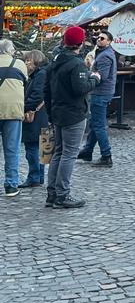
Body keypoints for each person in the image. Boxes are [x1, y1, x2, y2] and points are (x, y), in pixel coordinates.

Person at [44, 26, 94, 210]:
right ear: (80, 43)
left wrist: (50, 113)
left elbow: (46, 90)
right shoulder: (76, 64)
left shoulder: (54, 61)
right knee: (69, 154)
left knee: (58, 152)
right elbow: (80, 89)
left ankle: (52, 193)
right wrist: (94, 79)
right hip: (73, 114)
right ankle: (62, 195)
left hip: (57, 112)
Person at [78, 30, 117, 168]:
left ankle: (106, 155)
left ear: (109, 41)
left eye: (102, 38)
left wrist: (87, 73)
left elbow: (102, 76)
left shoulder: (105, 56)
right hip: (101, 93)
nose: (99, 39)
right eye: (98, 37)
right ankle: (88, 151)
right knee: (95, 123)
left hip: (101, 93)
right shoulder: (104, 53)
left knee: (98, 125)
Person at [0, 39, 28, 197]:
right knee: (12, 149)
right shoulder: (19, 64)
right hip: (13, 110)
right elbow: (24, 82)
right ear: (10, 50)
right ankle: (11, 185)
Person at [20, 50, 49, 189]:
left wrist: (23, 107)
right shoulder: (40, 73)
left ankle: (34, 177)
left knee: (32, 147)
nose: (26, 63)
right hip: (42, 115)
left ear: (35, 60)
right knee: (41, 148)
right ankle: (39, 177)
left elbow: (37, 95)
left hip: (37, 115)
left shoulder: (40, 75)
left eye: (28, 60)